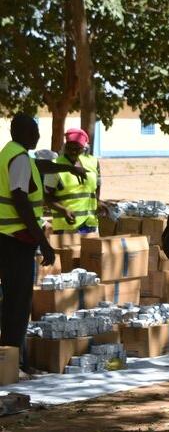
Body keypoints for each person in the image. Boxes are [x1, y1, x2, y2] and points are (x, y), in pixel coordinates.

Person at [0, 114, 86, 364]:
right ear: (24, 133)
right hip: (16, 238)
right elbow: (20, 200)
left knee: (13, 300)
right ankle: (14, 362)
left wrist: (69, 167)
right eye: (35, 131)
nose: (38, 135)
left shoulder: (12, 153)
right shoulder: (18, 158)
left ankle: (10, 357)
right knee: (18, 303)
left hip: (8, 237)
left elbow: (41, 167)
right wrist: (43, 242)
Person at [44, 128, 102, 234]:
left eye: (78, 148)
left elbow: (97, 186)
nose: (73, 151)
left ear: (84, 148)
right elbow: (47, 197)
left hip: (90, 224)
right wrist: (63, 210)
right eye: (70, 147)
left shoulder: (93, 162)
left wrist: (98, 203)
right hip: (65, 227)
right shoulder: (55, 166)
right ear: (65, 146)